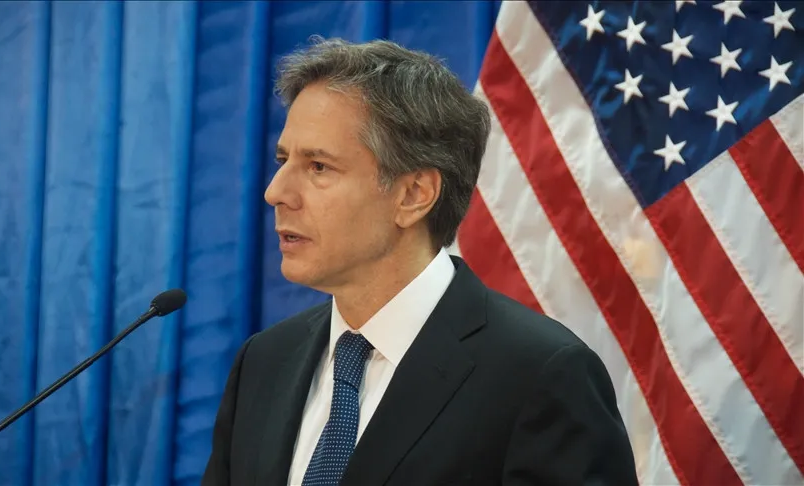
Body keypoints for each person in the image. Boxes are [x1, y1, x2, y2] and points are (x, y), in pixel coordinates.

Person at [201, 37, 638, 486]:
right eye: (283, 159)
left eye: (318, 167)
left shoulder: (540, 375)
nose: (275, 192)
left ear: (414, 195)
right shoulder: (264, 362)